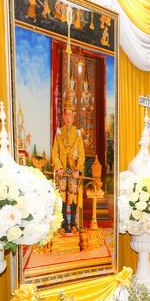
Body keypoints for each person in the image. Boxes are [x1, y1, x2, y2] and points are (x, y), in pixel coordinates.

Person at [51, 99, 85, 234]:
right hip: (62, 170)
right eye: (66, 114)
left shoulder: (78, 133)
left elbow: (81, 154)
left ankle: (74, 223)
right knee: (62, 196)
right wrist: (59, 167)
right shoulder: (59, 132)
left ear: (73, 116)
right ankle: (64, 224)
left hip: (73, 171)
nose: (68, 117)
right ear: (63, 117)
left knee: (73, 195)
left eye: (70, 114)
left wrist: (78, 170)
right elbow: (55, 152)